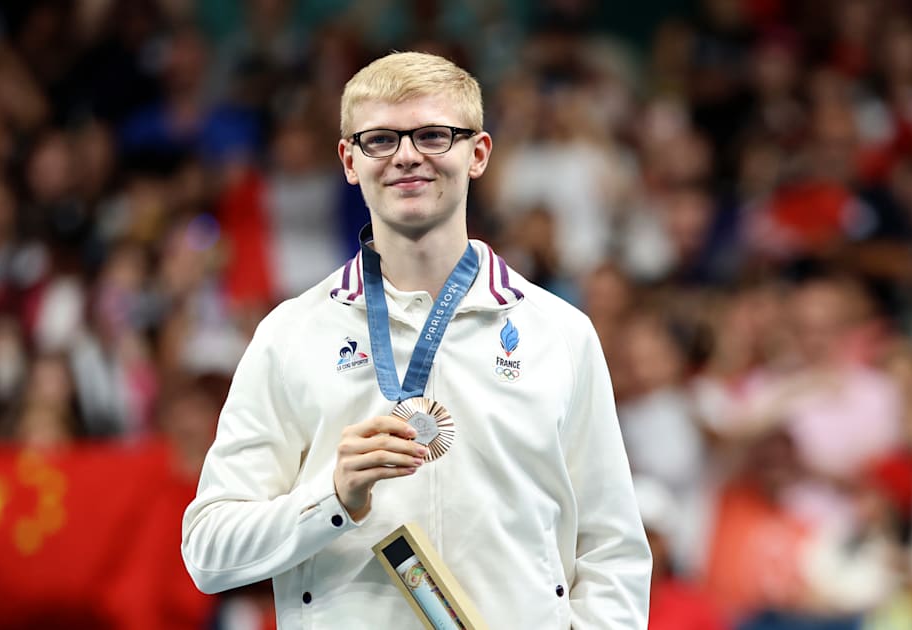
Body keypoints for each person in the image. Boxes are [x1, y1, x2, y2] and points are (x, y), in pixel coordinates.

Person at [181, 51, 652, 628]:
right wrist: (331, 499)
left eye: (433, 135)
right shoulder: (290, 335)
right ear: (349, 160)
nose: (407, 156)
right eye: (380, 139)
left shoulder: (560, 333)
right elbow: (208, 551)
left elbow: (612, 550)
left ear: (477, 153)